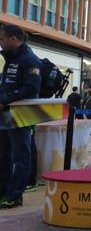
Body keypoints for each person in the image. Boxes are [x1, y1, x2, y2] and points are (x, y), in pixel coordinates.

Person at [0, 24, 42, 209]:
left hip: (21, 115)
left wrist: (5, 99)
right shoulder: (10, 59)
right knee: (3, 155)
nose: (0, 43)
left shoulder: (29, 59)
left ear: (13, 39)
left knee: (20, 157)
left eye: (2, 39)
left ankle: (15, 195)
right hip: (6, 114)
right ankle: (4, 192)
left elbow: (31, 88)